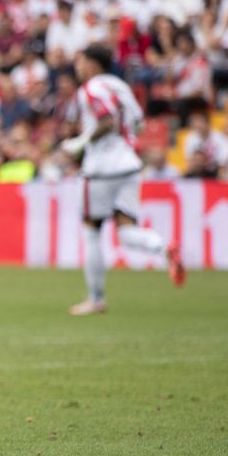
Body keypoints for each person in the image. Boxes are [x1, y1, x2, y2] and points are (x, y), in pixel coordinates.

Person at [61, 45, 186, 316]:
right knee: (126, 231)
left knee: (92, 230)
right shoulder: (122, 87)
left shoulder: (91, 89)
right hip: (129, 166)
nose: (78, 67)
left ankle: (96, 299)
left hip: (101, 169)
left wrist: (80, 142)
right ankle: (164, 248)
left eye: (81, 61)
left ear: (93, 64)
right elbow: (138, 124)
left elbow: (106, 120)